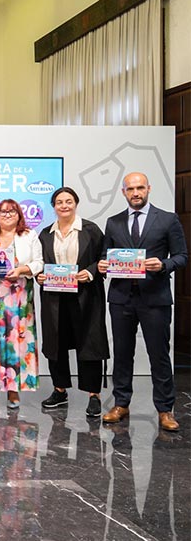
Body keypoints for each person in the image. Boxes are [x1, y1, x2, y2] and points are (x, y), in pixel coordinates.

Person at [96, 172, 188, 431]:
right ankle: (121, 403)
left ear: (148, 188)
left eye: (140, 188)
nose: (135, 193)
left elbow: (181, 256)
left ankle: (165, 410)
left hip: (155, 298)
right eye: (130, 189)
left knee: (159, 355)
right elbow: (106, 255)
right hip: (121, 298)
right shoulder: (113, 222)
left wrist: (164, 264)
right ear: (123, 192)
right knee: (122, 354)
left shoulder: (168, 219)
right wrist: (103, 265)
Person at [36, 187, 109, 417]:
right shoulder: (45, 233)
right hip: (54, 298)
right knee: (55, 344)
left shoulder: (90, 229)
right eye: (59, 202)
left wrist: (88, 272)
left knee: (89, 343)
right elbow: (40, 263)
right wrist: (39, 276)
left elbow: (103, 258)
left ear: (76, 204)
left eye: (68, 201)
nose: (64, 205)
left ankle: (93, 395)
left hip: (86, 296)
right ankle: (60, 390)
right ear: (54, 206)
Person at [0, 200, 43, 409]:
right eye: (3, 211)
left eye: (12, 211)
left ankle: (14, 390)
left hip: (19, 296)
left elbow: (39, 262)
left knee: (18, 340)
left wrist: (22, 270)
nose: (7, 214)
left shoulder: (29, 235)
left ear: (19, 214)